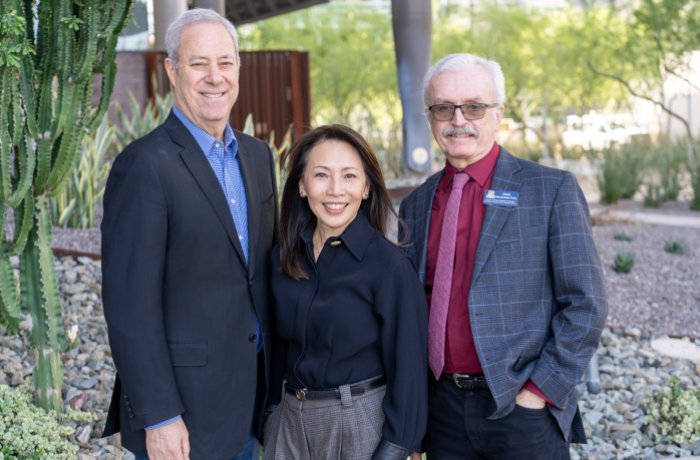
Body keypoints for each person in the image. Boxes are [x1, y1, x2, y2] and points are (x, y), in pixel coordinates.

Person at [398, 53, 608, 459]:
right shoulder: (416, 205)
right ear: (430, 117)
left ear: (498, 114)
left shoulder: (550, 191)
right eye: (444, 107)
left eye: (473, 106)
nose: (458, 119)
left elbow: (586, 303)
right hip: (441, 413)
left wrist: (540, 390)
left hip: (520, 410)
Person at [101, 8, 278, 460]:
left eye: (225, 62)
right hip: (183, 417)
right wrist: (159, 416)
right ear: (172, 70)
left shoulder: (258, 158)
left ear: (239, 68)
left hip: (255, 405)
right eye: (199, 63)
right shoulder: (144, 166)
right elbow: (129, 308)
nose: (214, 77)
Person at [263, 124, 428, 460]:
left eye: (349, 176)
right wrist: (270, 416)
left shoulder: (389, 267)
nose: (335, 190)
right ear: (302, 185)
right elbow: (277, 349)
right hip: (289, 422)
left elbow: (409, 369)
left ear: (366, 188)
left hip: (358, 423)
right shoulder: (282, 259)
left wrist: (397, 447)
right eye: (321, 175)